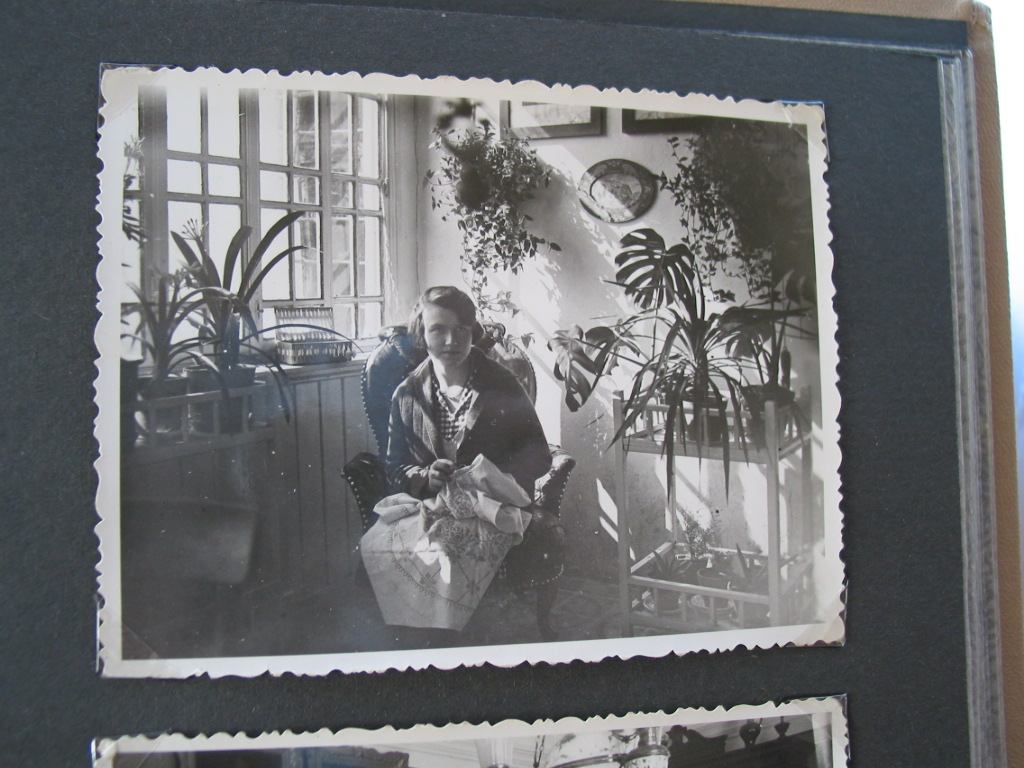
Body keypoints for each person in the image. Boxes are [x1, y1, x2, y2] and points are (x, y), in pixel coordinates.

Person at [385, 286, 551, 502]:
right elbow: (395, 468)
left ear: (472, 332)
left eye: (460, 329)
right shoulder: (407, 396)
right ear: (422, 335)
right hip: (432, 509)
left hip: (497, 509)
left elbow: (539, 457)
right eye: (437, 330)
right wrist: (426, 478)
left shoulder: (503, 385)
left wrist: (490, 478)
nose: (450, 340)